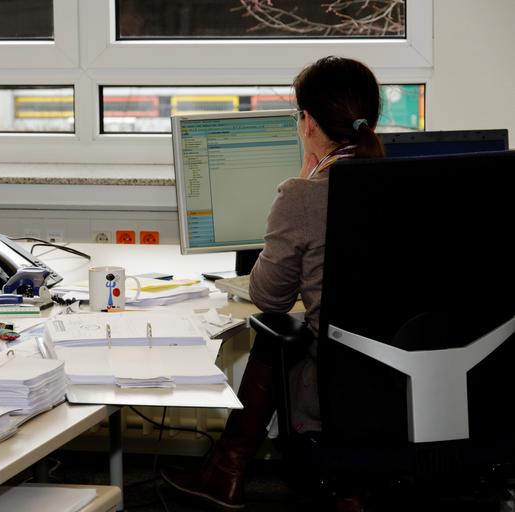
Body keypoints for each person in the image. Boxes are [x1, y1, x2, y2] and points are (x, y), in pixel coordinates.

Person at [161, 56, 385, 510]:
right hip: (406, 384)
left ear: (307, 122)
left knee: (276, 334)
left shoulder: (304, 195)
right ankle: (231, 470)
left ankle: (228, 469)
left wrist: (301, 183)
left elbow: (269, 297)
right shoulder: (408, 182)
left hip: (337, 393)